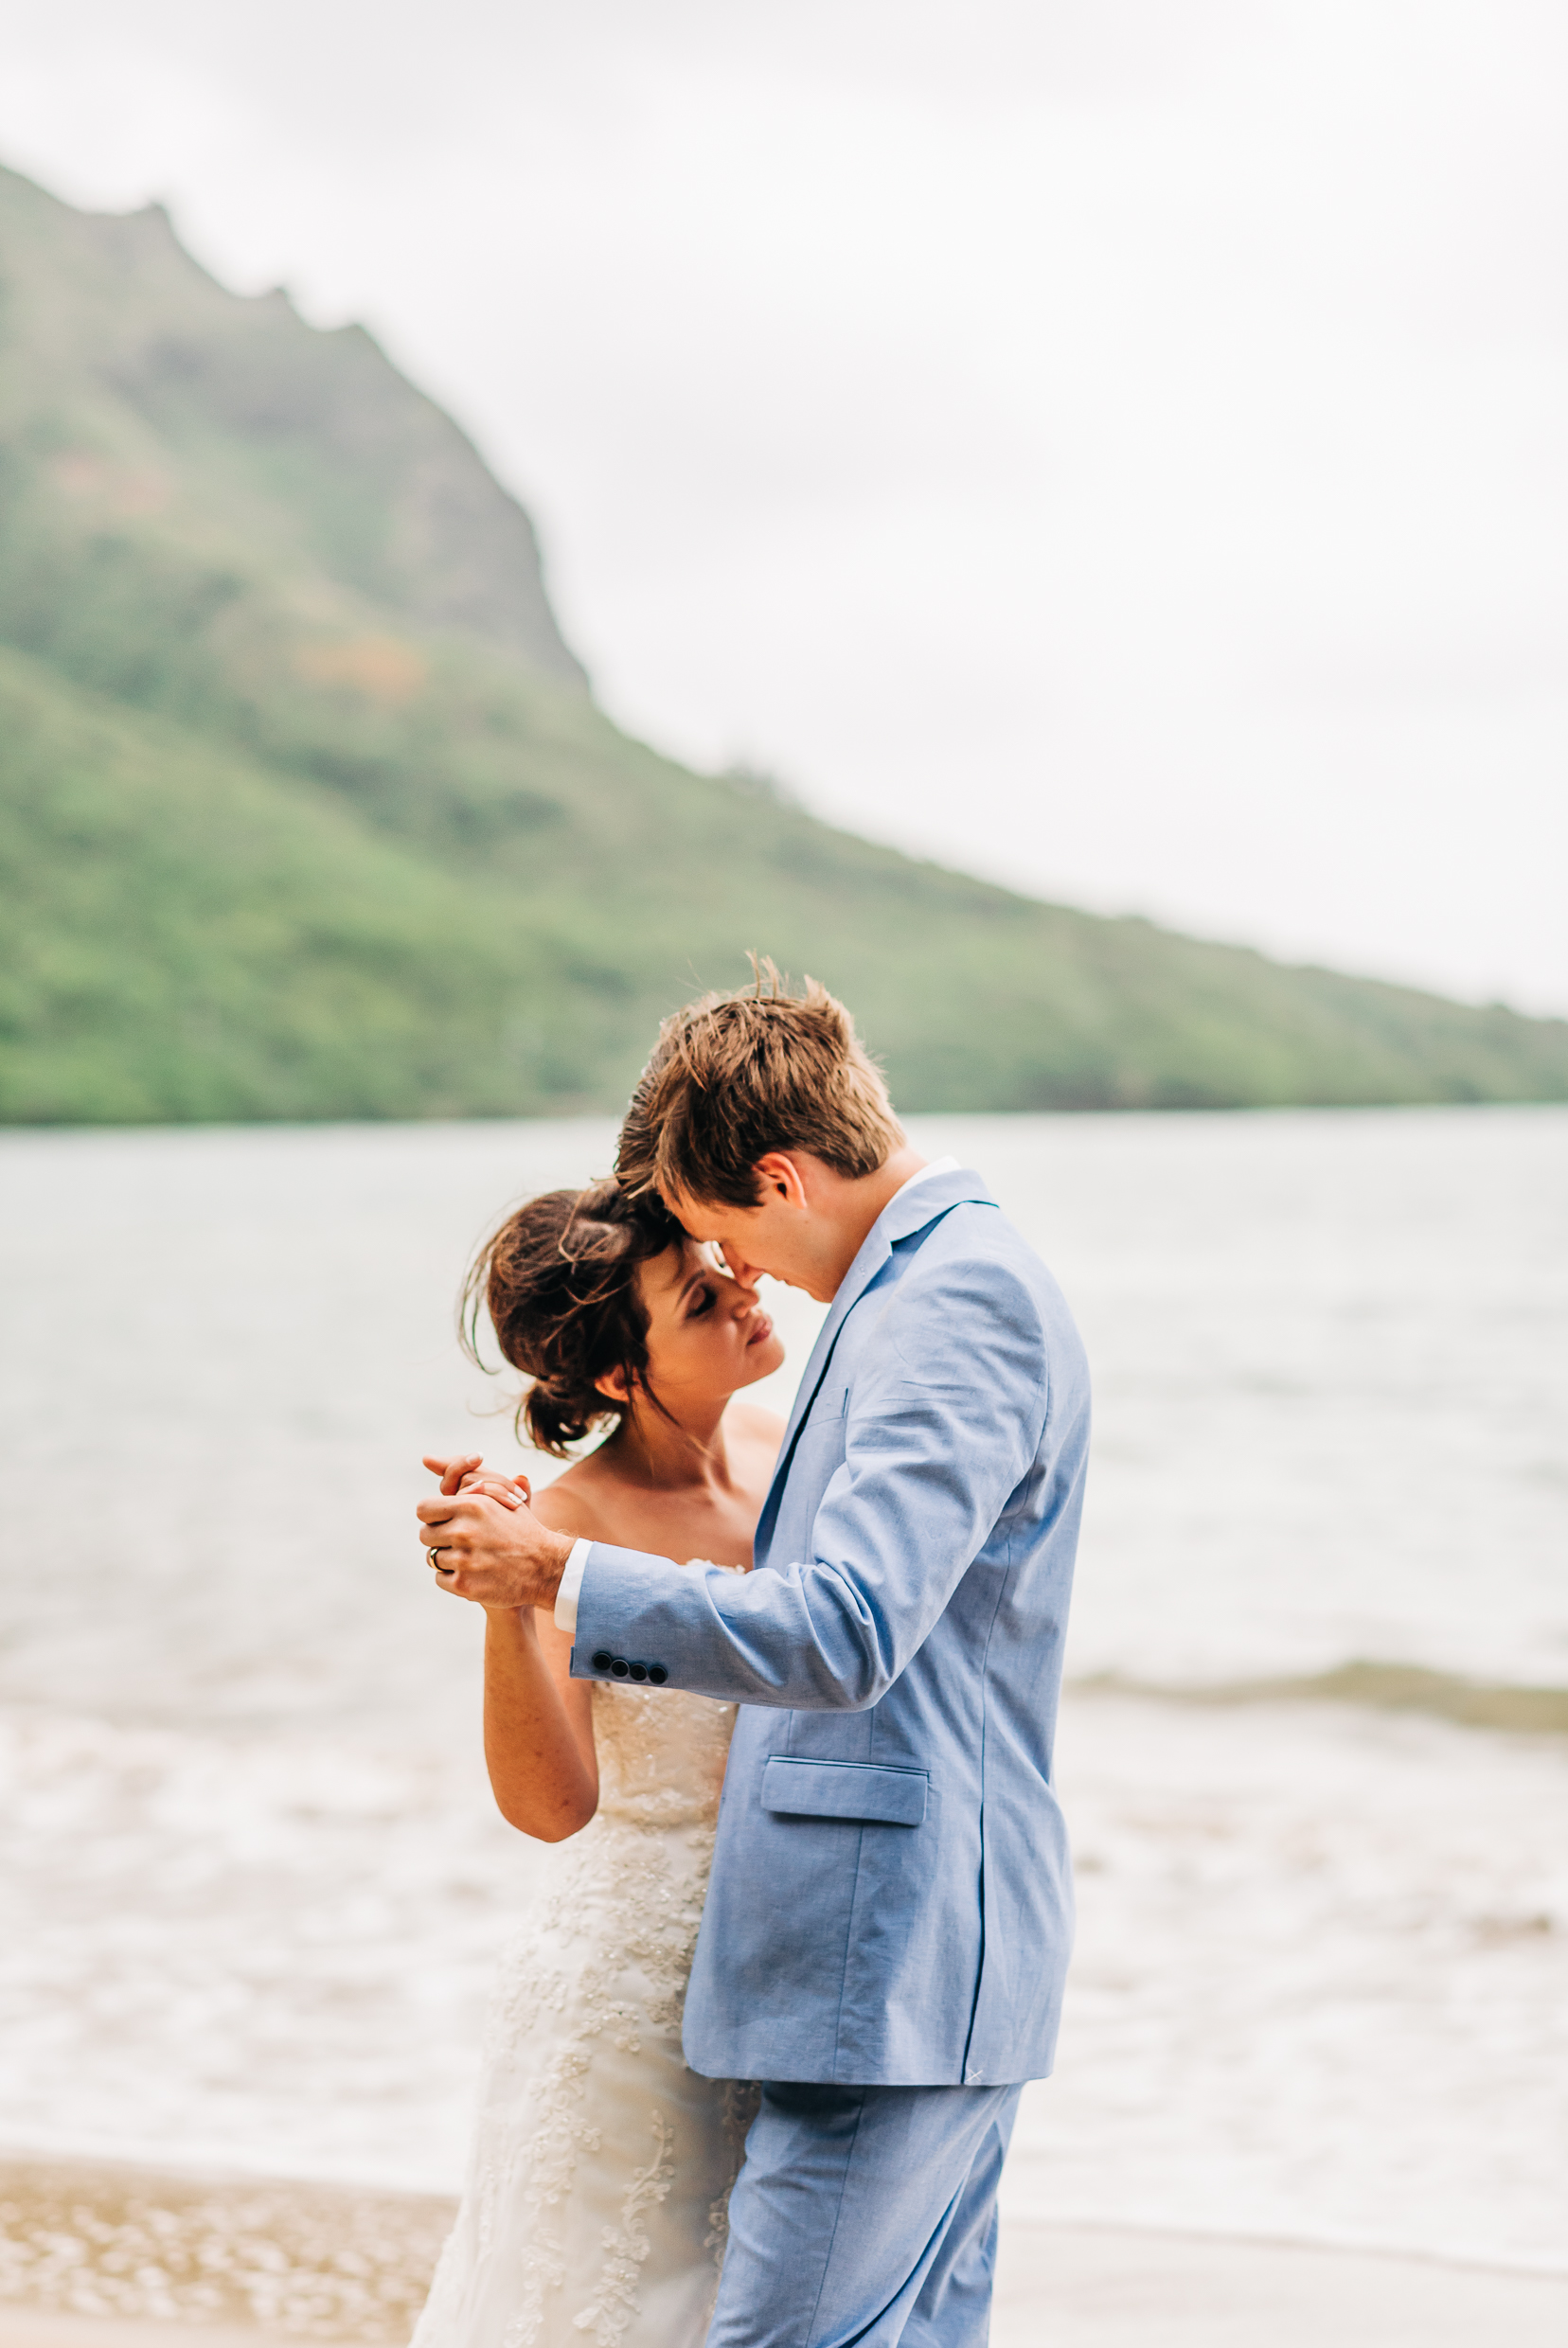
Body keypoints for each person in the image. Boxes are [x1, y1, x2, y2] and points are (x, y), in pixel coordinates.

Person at [419, 968, 1091, 2348]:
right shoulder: (925, 1285)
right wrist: (531, 1581)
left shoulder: (947, 1299)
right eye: (701, 1278)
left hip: (884, 1959)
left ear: (777, 1179)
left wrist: (556, 1575)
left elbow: (845, 1628)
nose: (743, 1275)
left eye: (724, 1236)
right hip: (808, 1968)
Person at [410, 1176, 786, 2348]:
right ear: (623, 1374)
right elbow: (548, 1804)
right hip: (638, 1990)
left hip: (792, 1949)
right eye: (699, 1296)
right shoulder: (567, 1521)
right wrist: (507, 1604)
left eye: (724, 1261)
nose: (747, 1290)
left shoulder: (800, 1452)